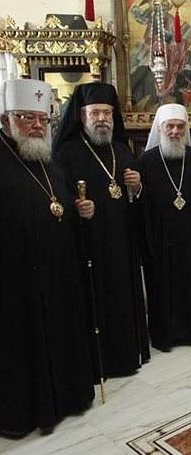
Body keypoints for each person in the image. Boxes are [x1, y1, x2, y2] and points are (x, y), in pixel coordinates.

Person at [0, 79, 95, 437]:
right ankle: (28, 412)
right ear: (6, 119)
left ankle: (67, 398)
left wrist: (80, 213)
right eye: (27, 117)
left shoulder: (50, 163)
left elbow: (60, 209)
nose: (38, 126)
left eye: (43, 118)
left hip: (58, 274)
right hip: (15, 278)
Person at [53, 82, 150, 379]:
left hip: (122, 243)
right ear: (82, 116)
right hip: (89, 244)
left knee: (123, 298)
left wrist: (136, 187)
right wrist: (77, 208)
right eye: (95, 112)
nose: (102, 119)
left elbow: (134, 199)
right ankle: (100, 361)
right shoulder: (66, 154)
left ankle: (127, 355)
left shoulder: (121, 149)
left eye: (107, 113)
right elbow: (56, 197)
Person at [138, 104, 191, 351]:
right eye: (170, 126)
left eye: (180, 127)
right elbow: (140, 203)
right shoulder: (146, 161)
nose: (175, 131)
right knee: (163, 286)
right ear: (160, 129)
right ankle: (165, 334)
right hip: (161, 237)